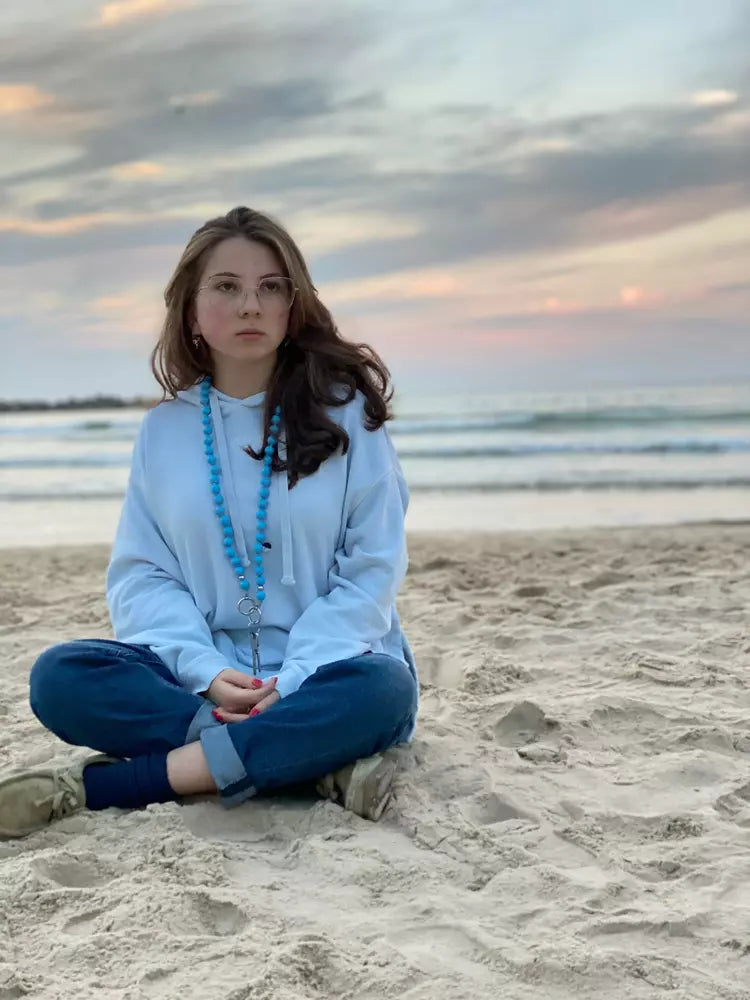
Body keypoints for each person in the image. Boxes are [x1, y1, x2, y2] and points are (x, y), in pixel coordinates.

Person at [0, 206, 419, 839]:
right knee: (60, 677)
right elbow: (143, 575)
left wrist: (294, 678)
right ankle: (305, 766)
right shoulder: (164, 430)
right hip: (204, 685)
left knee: (384, 690)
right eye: (227, 286)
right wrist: (203, 670)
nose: (250, 305)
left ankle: (115, 785)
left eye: (271, 287)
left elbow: (371, 573)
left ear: (293, 305)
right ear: (191, 311)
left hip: (329, 672)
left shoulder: (346, 413)